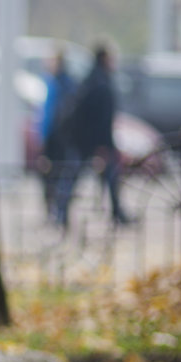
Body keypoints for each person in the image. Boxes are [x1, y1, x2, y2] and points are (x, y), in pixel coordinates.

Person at [52, 41, 132, 228]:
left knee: (75, 176)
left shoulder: (90, 80)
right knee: (95, 176)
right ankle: (116, 213)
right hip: (90, 141)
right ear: (104, 59)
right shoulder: (101, 83)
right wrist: (104, 145)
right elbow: (102, 119)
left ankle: (61, 213)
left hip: (81, 140)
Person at [39, 51, 75, 220]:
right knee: (57, 176)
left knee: (53, 176)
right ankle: (57, 213)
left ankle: (57, 214)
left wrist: (44, 138)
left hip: (56, 138)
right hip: (60, 138)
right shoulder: (62, 84)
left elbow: (49, 115)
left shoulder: (58, 85)